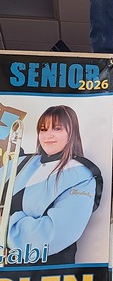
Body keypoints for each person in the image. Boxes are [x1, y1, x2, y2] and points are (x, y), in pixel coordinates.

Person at [6, 105, 102, 264]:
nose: (48, 135)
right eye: (43, 129)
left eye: (57, 129)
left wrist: (6, 225)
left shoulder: (81, 175)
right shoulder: (18, 163)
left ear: (71, 132)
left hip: (46, 271)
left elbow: (55, 233)